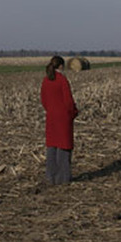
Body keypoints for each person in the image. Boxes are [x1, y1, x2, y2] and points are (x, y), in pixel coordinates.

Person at [40, 55, 79, 185]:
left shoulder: (46, 80)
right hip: (63, 117)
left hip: (51, 117)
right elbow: (68, 101)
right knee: (64, 146)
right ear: (61, 66)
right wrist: (73, 112)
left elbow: (43, 100)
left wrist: (50, 110)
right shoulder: (62, 80)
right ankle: (63, 178)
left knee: (52, 146)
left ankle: (51, 177)